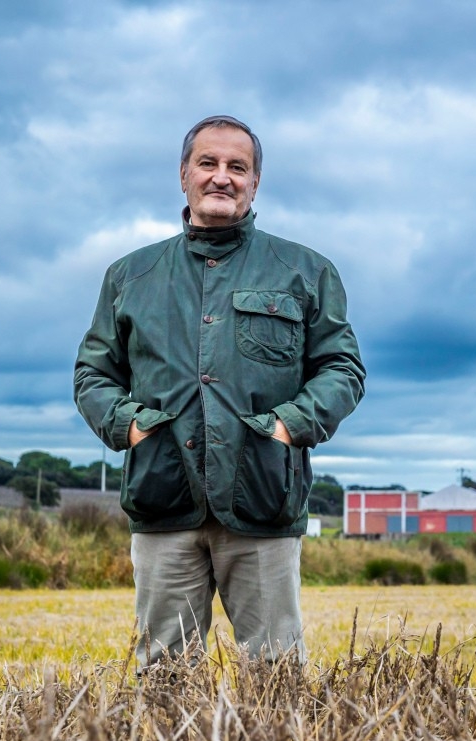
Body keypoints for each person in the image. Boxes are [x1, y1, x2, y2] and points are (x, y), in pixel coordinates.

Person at [74, 115, 365, 669]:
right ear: (183, 174)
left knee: (276, 674)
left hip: (263, 499)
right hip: (163, 499)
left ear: (256, 183)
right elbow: (92, 375)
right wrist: (131, 426)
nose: (222, 177)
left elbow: (342, 368)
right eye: (208, 163)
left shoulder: (304, 271)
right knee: (164, 676)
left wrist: (287, 427)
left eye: (238, 167)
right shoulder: (130, 276)